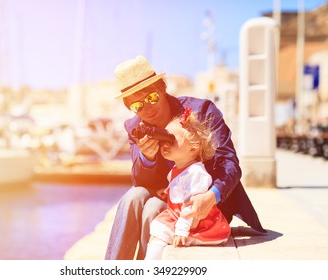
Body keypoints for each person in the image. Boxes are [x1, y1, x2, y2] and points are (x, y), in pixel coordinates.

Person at [105, 55, 265, 260]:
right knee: (132, 198)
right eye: (137, 106)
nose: (147, 108)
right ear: (130, 108)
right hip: (167, 198)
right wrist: (148, 158)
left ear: (162, 89)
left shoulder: (201, 111)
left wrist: (211, 196)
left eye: (151, 97)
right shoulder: (135, 127)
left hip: (205, 206)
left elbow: (229, 163)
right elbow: (141, 183)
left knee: (152, 207)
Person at [145, 108, 231, 259]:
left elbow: (192, 205)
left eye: (171, 140)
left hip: (197, 224)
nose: (165, 144)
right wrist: (167, 192)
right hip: (179, 216)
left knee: (158, 236)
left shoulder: (196, 173)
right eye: (163, 139)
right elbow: (179, 188)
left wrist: (182, 231)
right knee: (156, 233)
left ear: (193, 148)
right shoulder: (176, 169)